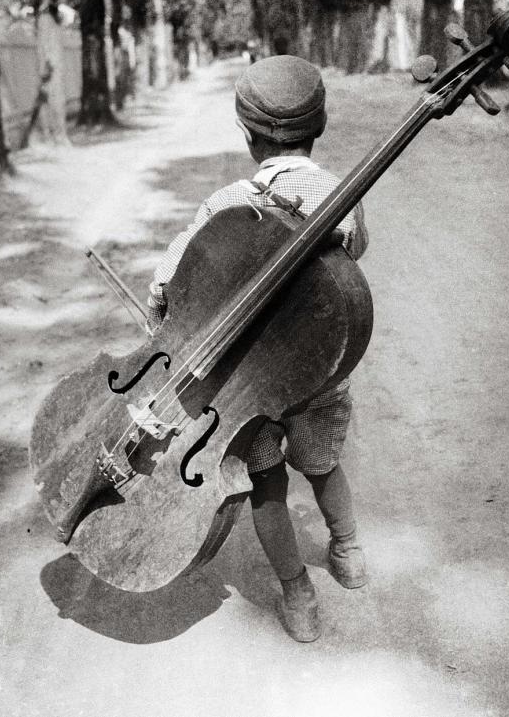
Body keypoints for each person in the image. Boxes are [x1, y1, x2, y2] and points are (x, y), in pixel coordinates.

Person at [144, 55, 369, 642]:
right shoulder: (346, 199)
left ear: (248, 135)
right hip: (317, 370)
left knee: (266, 482)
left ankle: (298, 596)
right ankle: (347, 550)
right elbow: (352, 262)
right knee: (322, 464)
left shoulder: (226, 204)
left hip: (248, 383)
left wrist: (160, 312)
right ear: (317, 130)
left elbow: (172, 280)